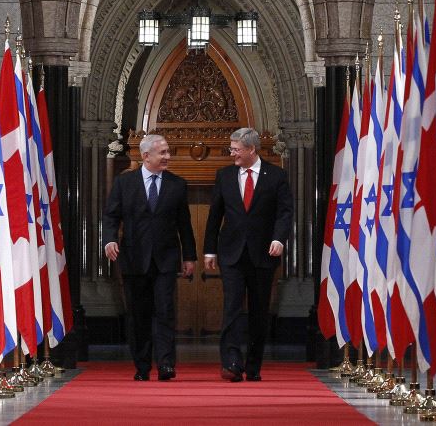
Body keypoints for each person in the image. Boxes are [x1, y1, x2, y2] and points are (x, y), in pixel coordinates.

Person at [102, 134, 197, 381]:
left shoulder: (177, 184)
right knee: (138, 315)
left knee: (165, 312)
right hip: (134, 259)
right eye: (162, 152)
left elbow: (184, 225)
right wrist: (110, 239)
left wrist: (190, 257)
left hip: (166, 259)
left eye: (168, 152)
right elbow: (111, 216)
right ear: (146, 156)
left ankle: (166, 364)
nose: (167, 156)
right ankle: (142, 366)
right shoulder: (125, 183)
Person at [203, 127, 293, 382]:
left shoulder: (276, 176)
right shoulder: (225, 175)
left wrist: (278, 239)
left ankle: (253, 366)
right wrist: (209, 250)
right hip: (231, 253)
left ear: (252, 149)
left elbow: (285, 213)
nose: (232, 153)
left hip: (263, 254)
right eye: (231, 149)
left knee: (258, 311)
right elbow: (214, 216)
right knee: (231, 307)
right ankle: (231, 363)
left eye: (236, 149)